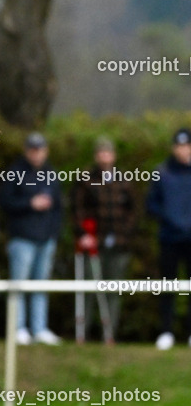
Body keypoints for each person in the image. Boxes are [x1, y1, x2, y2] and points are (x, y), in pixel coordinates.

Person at [0, 132, 63, 346]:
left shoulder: (51, 173)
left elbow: (58, 207)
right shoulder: (15, 172)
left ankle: (39, 328)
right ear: (27, 151)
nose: (36, 154)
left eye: (40, 149)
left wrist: (53, 234)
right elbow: (5, 203)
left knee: (41, 285)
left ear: (46, 151)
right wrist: (30, 204)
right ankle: (18, 329)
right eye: (33, 150)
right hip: (22, 238)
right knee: (19, 285)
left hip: (46, 239)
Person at [72, 136, 138, 340]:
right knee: (90, 288)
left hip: (118, 244)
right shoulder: (86, 179)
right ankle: (84, 334)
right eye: (101, 152)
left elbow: (134, 211)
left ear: (114, 156)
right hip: (93, 243)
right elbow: (76, 209)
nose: (104, 156)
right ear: (96, 156)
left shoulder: (124, 181)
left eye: (108, 152)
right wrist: (83, 234)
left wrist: (125, 234)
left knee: (113, 289)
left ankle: (109, 335)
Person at [147, 128, 191, 350]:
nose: (183, 150)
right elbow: (151, 205)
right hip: (169, 238)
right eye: (180, 146)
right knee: (168, 286)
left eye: (187, 146)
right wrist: (170, 219)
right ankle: (166, 332)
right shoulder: (162, 172)